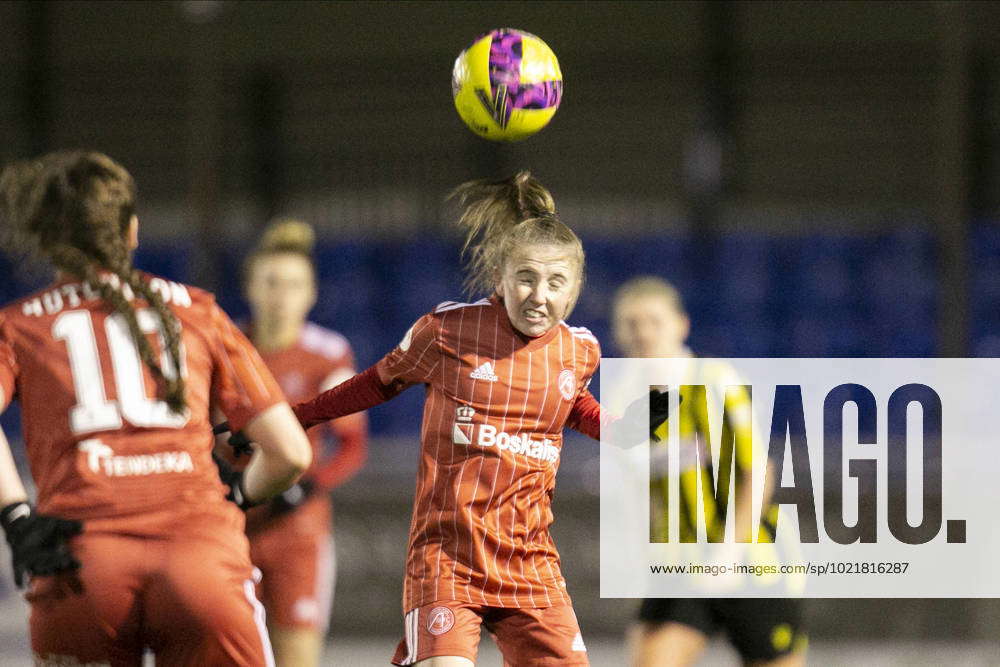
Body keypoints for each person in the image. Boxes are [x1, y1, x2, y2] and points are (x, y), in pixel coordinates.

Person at [0, 150, 312, 666]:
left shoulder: (18, 325)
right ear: (133, 232)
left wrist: (16, 516)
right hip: (200, 559)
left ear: (48, 238)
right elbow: (290, 453)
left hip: (79, 565)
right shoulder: (198, 310)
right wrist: (238, 493)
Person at [288, 171, 602, 666]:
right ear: (500, 278)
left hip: (530, 563)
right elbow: (377, 381)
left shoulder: (580, 349)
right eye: (526, 278)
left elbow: (573, 406)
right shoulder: (448, 331)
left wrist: (637, 426)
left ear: (575, 291)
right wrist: (299, 416)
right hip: (448, 561)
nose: (539, 295)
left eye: (555, 283)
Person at [612, 277, 806, 667]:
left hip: (754, 563)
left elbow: (759, 471)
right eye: (633, 324)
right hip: (680, 567)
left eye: (654, 321)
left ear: (681, 325)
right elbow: (645, 492)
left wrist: (729, 554)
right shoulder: (624, 400)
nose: (644, 333)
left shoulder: (715, 380)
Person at [238, 218, 367, 667]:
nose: (281, 296)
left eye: (294, 285)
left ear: (311, 293)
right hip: (231, 527)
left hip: (299, 533)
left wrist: (309, 486)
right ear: (250, 287)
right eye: (271, 283)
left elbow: (352, 445)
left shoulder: (328, 354)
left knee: (297, 658)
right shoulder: (226, 347)